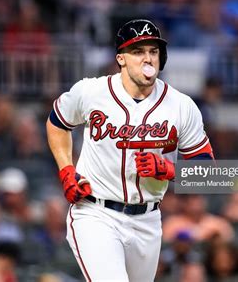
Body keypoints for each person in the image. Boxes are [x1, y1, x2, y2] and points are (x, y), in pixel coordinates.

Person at [46, 19, 214, 281]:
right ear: (121, 59)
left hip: (148, 219)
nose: (147, 58)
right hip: (95, 212)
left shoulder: (182, 106)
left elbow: (208, 173)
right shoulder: (91, 92)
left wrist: (170, 170)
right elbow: (57, 122)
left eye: (153, 51)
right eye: (138, 51)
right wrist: (66, 169)